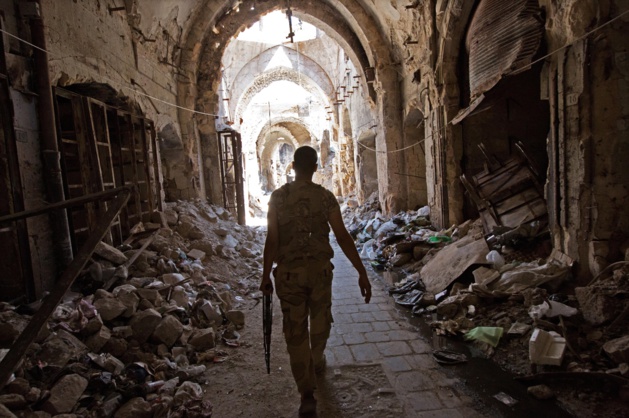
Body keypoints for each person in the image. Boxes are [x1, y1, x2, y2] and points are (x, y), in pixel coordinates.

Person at [260, 145, 371, 416]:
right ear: (315, 168)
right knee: (320, 324)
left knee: (295, 332)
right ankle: (317, 358)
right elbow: (343, 236)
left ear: (294, 166)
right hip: (320, 273)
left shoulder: (278, 197)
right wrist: (361, 271)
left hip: (288, 276)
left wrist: (265, 276)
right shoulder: (325, 198)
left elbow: (272, 239)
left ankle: (307, 393)